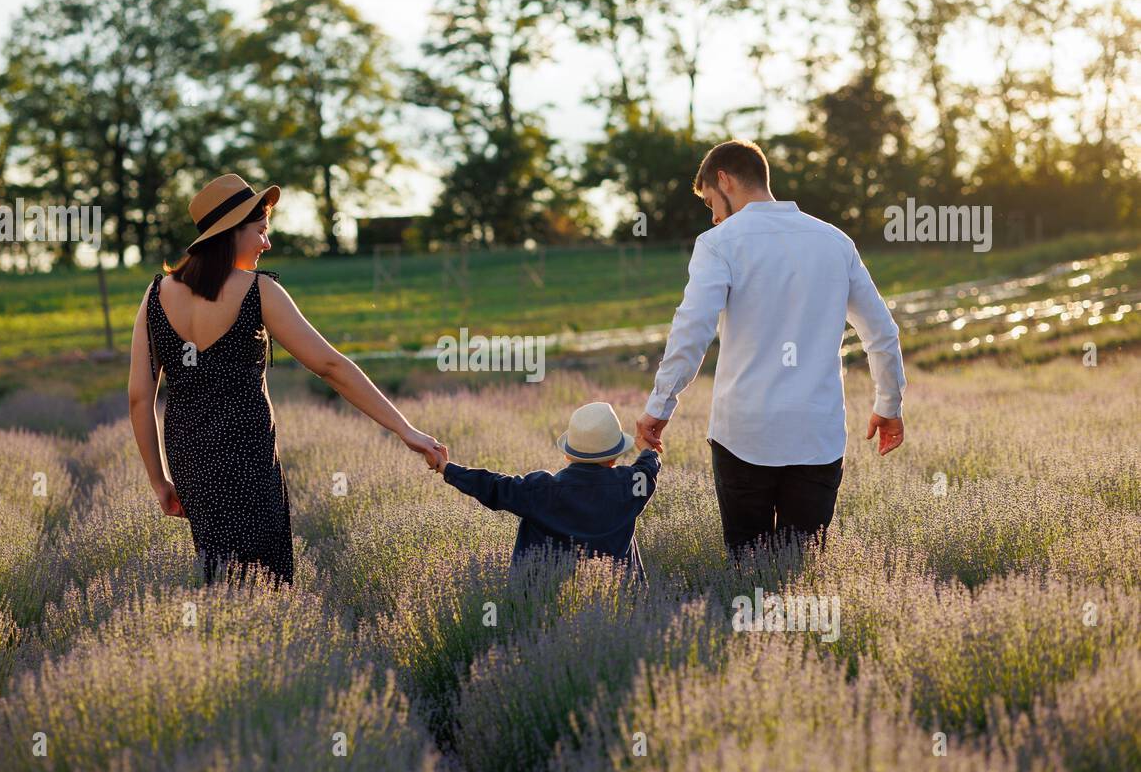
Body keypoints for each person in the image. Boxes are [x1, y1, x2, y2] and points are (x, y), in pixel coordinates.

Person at [128, 173, 447, 584]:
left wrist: (160, 481)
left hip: (192, 464)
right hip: (248, 459)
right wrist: (405, 430)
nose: (267, 243)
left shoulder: (156, 294)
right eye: (261, 231)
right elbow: (331, 367)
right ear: (231, 232)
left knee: (219, 579)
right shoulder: (259, 290)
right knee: (267, 582)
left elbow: (140, 398)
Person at [635, 140, 906, 555]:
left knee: (747, 570)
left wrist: (660, 406)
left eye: (711, 200)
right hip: (817, 436)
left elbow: (692, 329)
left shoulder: (718, 244)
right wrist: (888, 405)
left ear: (724, 179)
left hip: (743, 433)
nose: (713, 215)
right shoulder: (835, 241)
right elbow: (882, 333)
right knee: (800, 572)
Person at [434, 401, 659, 580]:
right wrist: (648, 449)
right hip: (620, 603)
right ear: (615, 456)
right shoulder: (632, 485)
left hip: (547, 603)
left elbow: (493, 486)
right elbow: (647, 469)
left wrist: (445, 467)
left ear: (568, 454)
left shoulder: (541, 490)